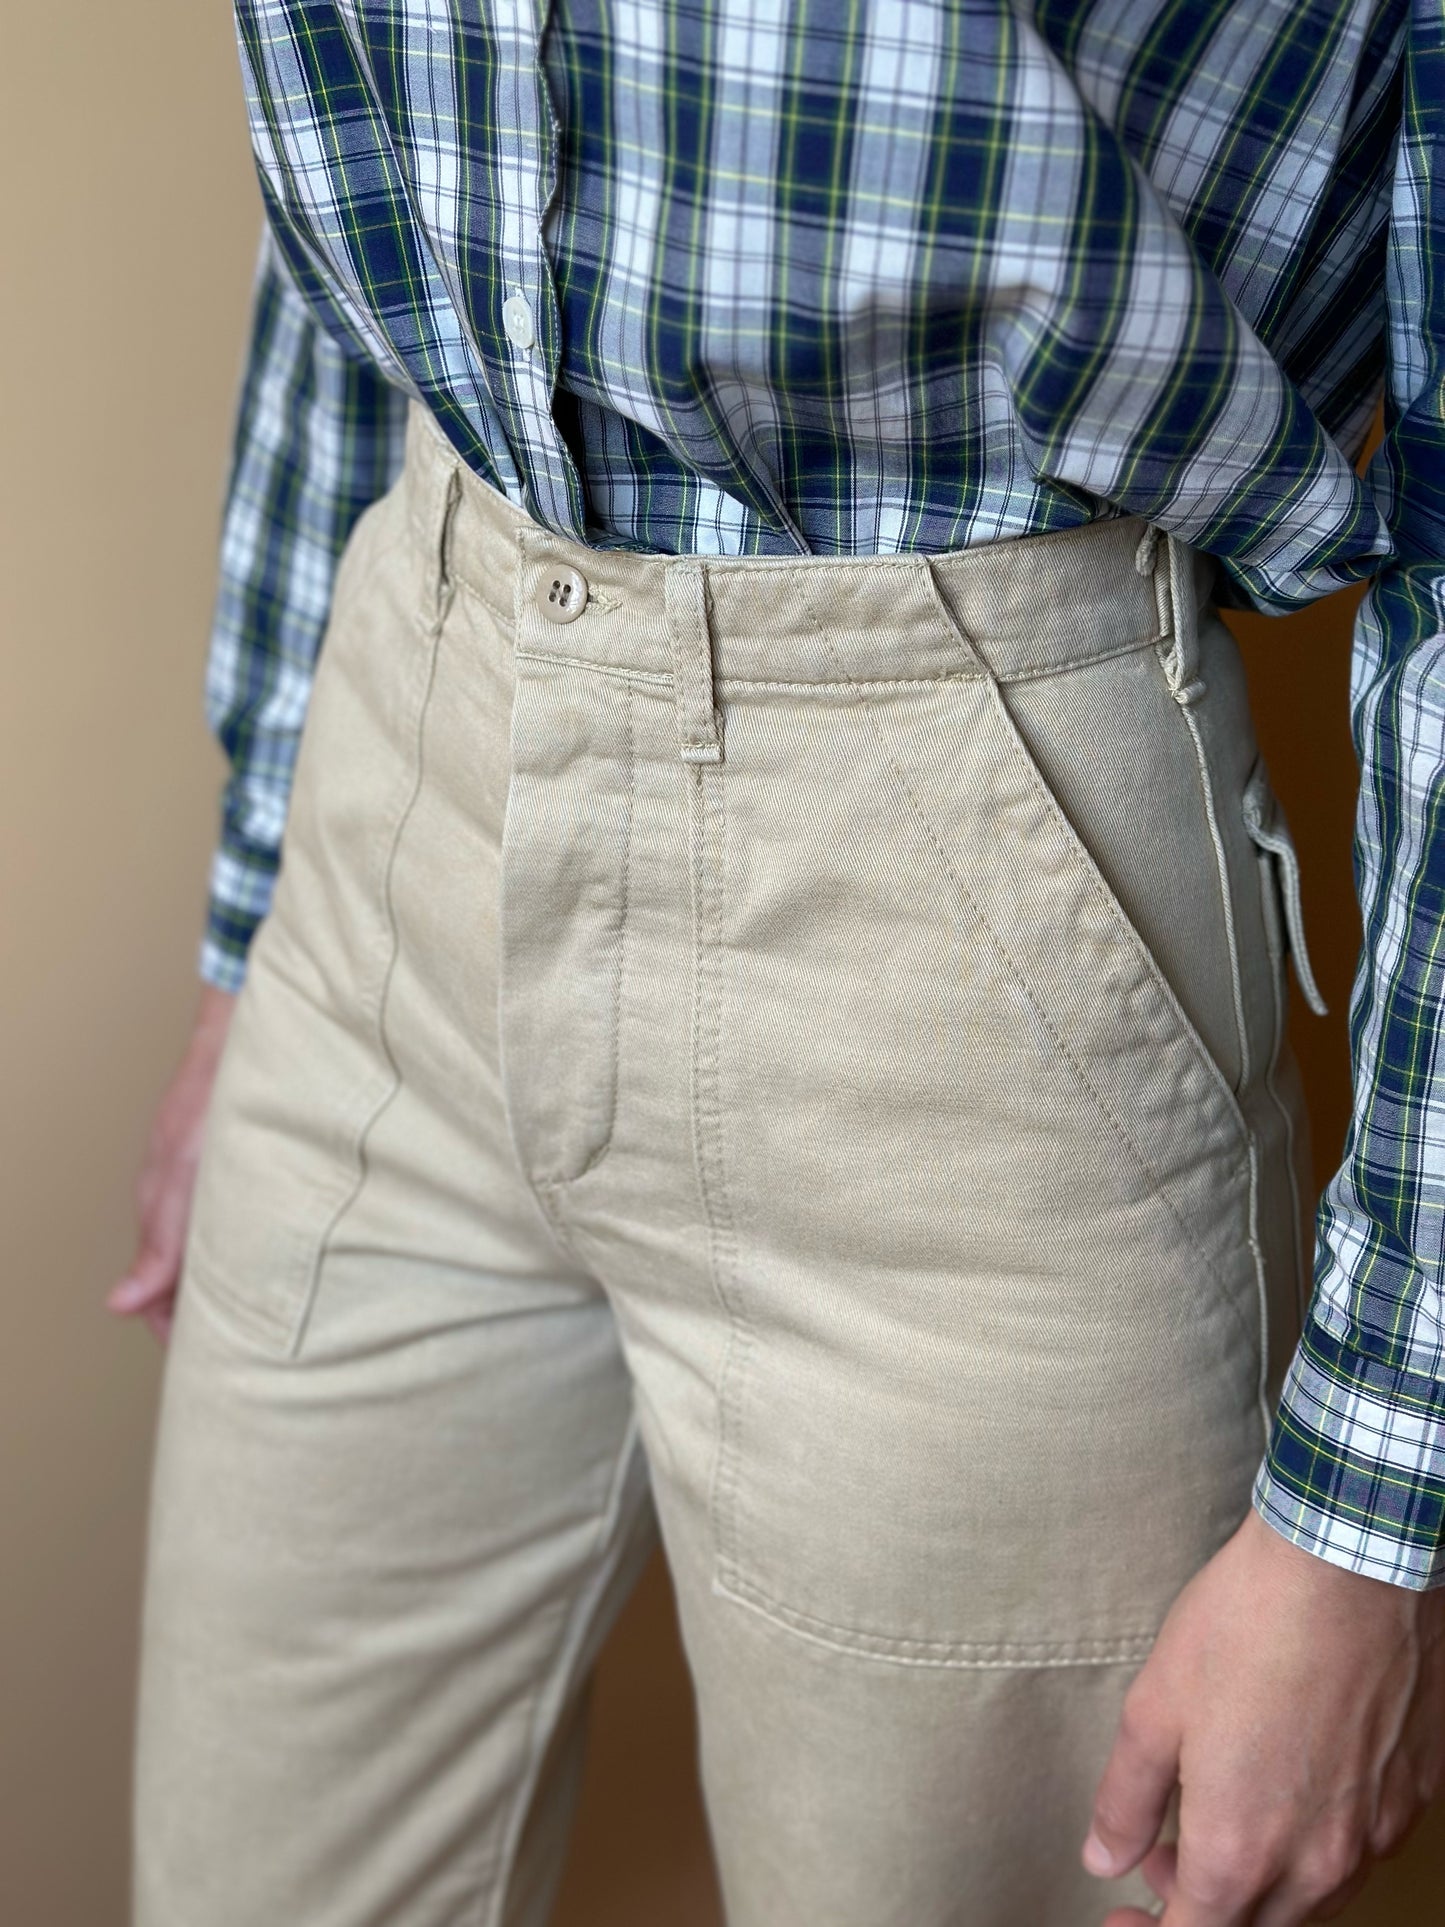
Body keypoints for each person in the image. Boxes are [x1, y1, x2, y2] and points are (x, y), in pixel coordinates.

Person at [112, 2, 1445, 1922]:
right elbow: (352, 183)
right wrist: (259, 915)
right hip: (408, 759)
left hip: (977, 921)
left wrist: (1371, 1509)